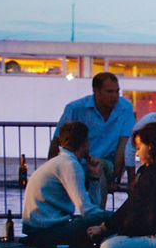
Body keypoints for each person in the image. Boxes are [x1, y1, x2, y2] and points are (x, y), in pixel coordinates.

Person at [21, 121, 107, 248]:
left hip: (37, 230)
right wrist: (114, 218)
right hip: (47, 232)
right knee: (113, 218)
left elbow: (91, 209)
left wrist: (94, 177)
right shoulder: (70, 165)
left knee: (102, 221)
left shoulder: (59, 161)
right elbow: (87, 210)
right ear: (85, 143)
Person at [56, 72, 134, 205]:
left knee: (99, 168)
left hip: (106, 165)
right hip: (78, 162)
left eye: (117, 91)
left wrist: (116, 178)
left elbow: (123, 145)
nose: (115, 96)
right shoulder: (75, 108)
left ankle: (96, 215)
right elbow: (57, 141)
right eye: (109, 92)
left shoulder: (125, 108)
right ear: (96, 91)